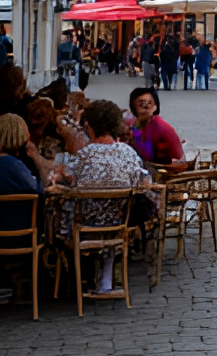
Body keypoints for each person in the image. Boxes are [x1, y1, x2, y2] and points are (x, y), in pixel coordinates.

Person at [56, 100, 152, 291]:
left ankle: (73, 279)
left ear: (88, 127)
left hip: (85, 224)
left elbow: (67, 180)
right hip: (118, 222)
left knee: (59, 209)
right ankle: (106, 276)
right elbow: (144, 181)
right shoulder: (128, 154)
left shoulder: (84, 156)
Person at [127, 88, 184, 165]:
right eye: (141, 103)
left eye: (148, 102)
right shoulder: (130, 125)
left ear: (155, 106)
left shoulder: (165, 130)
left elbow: (179, 160)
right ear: (133, 107)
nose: (145, 106)